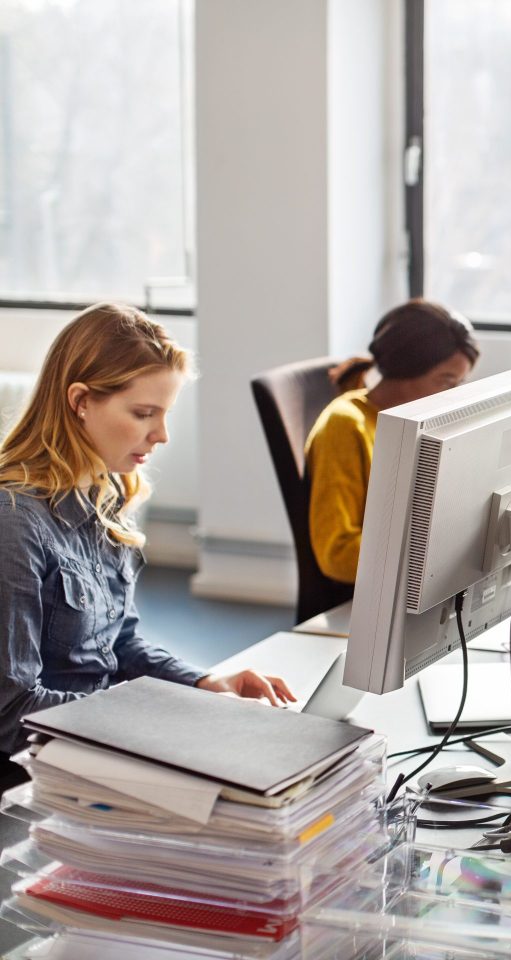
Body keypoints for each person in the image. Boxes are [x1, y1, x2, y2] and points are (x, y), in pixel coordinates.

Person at [0, 304, 297, 778]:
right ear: (79, 400)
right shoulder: (14, 522)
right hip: (40, 774)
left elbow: (119, 644)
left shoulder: (105, 496)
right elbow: (11, 711)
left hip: (103, 744)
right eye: (143, 414)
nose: (160, 435)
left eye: (164, 414)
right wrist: (155, 717)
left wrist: (202, 683)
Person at [305, 299, 478, 584]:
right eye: (446, 382)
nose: (453, 396)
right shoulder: (346, 426)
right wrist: (432, 554)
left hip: (412, 578)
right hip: (375, 592)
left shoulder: (420, 423)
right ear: (406, 370)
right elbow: (336, 554)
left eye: (459, 384)